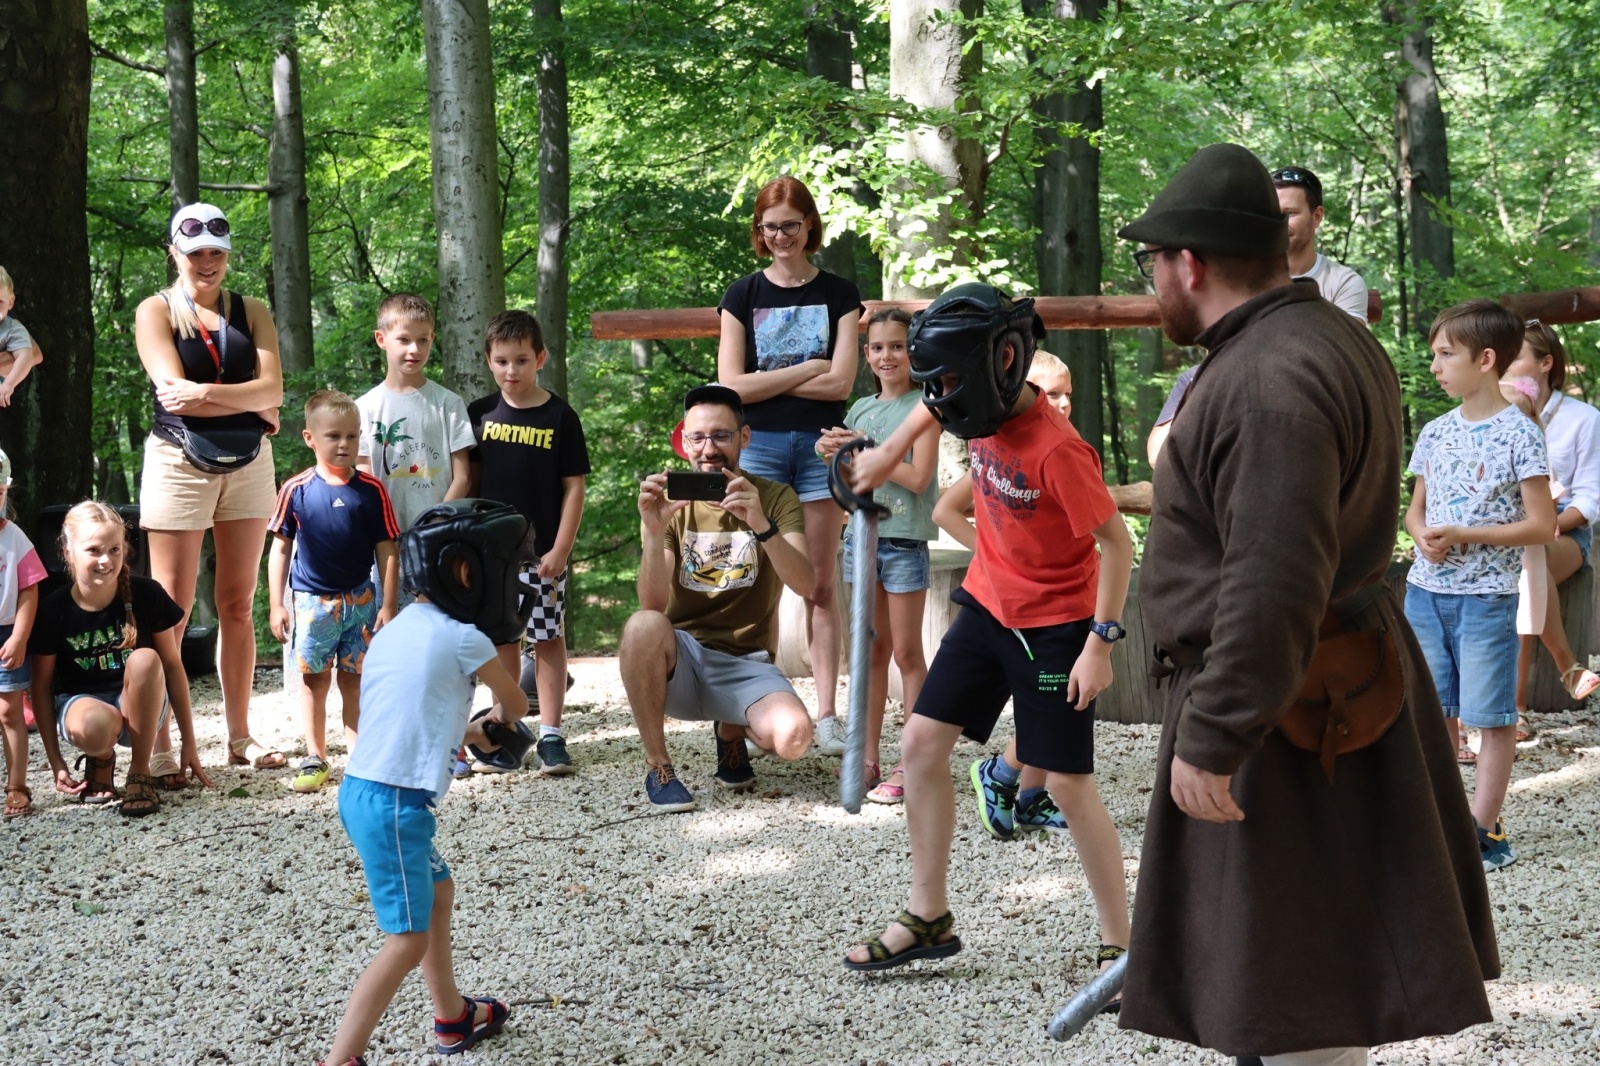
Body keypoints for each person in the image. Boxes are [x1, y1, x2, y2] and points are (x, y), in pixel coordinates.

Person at [1116, 143, 1499, 1066]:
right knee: (1306, 970)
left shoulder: (1266, 380)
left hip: (1292, 707)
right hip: (1318, 682)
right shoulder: (1324, 340)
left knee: (1295, 978)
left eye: (1152, 261)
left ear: (1190, 263)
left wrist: (1217, 729)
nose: (1152, 280)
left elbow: (1274, 574)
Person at [842, 284, 1134, 989]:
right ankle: (929, 916)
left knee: (1065, 784)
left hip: (1057, 627)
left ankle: (1124, 947)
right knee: (919, 743)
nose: (939, 397)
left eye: (948, 381)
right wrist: (884, 458)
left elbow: (1116, 546)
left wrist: (1101, 643)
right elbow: (929, 413)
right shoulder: (974, 403)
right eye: (934, 384)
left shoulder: (1060, 450)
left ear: (998, 366)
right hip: (986, 604)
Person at [319, 500, 529, 1066]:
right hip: (395, 806)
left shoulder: (391, 630)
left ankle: (453, 1016)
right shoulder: (466, 638)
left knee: (437, 890)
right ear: (467, 572)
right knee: (406, 940)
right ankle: (341, 1059)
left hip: (365, 789)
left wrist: (460, 731)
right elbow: (515, 703)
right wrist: (495, 725)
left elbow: (409, 709)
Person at [1405, 299, 1557, 873]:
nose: (1436, 367)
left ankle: (1484, 829)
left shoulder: (1520, 434)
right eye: (1434, 355)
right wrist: (1422, 535)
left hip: (1486, 600)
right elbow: (1414, 512)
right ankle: (1445, 823)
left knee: (1489, 715)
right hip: (1425, 593)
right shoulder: (1435, 431)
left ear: (1486, 359)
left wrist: (1467, 532)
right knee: (1434, 710)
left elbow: (1541, 525)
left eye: (1446, 355)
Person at [133, 202, 285, 772]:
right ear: (175, 252)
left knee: (237, 604)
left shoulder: (252, 311)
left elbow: (275, 386)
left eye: (217, 252)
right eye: (196, 253)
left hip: (249, 462)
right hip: (178, 460)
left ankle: (241, 737)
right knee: (169, 609)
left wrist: (208, 396)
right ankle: (163, 740)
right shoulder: (156, 311)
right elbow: (171, 389)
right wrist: (249, 402)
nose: (208, 262)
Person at [716, 176, 863, 756]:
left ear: (810, 227)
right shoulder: (742, 295)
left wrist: (774, 381)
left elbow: (844, 381)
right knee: (759, 581)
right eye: (769, 226)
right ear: (760, 231)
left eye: (790, 225)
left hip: (823, 446)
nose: (780, 236)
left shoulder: (840, 293)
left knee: (820, 585)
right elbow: (732, 386)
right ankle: (762, 708)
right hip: (759, 448)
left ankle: (827, 714)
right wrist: (808, 368)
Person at [618, 384, 814, 812]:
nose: (709, 449)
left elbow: (806, 584)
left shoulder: (776, 498)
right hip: (683, 660)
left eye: (722, 436)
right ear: (684, 441)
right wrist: (652, 533)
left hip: (747, 662)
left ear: (744, 438)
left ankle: (730, 732)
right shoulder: (669, 503)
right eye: (698, 438)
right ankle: (659, 768)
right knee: (641, 625)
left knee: (794, 738)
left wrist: (761, 523)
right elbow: (651, 603)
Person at [1146, 164, 1370, 468]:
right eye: (1273, 216)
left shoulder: (1342, 281)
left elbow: (1343, 358)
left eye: (1290, 214)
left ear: (1317, 216)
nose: (1280, 224)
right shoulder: (1243, 275)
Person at [816, 309, 939, 802]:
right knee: (869, 653)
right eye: (879, 347)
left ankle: (914, 762)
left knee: (908, 654)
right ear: (865, 354)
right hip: (860, 542)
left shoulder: (925, 407)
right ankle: (862, 756)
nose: (888, 356)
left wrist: (870, 451)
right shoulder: (860, 409)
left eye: (898, 346)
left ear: (915, 353)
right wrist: (834, 452)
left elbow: (918, 478)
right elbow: (850, 481)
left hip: (905, 542)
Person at [29, 501, 213, 818]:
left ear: (125, 550)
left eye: (114, 549)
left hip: (141, 708)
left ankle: (139, 774)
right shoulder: (52, 609)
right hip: (83, 709)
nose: (105, 560)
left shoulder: (148, 594)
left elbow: (172, 666)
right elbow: (41, 686)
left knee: (145, 659)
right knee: (97, 722)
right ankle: (101, 758)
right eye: (94, 550)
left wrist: (189, 743)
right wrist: (56, 760)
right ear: (68, 551)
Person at [467, 310, 589, 776]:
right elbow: (471, 483)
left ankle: (553, 735)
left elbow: (573, 488)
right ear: (488, 362)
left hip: (541, 556)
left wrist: (560, 549)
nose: (511, 371)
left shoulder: (560, 415)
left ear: (541, 357)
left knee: (548, 638)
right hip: (491, 556)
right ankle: (507, 726)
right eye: (501, 361)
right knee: (502, 641)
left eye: (521, 360)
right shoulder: (479, 414)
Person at [268, 390, 401, 793]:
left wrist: (388, 603)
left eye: (352, 436)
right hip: (311, 603)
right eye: (333, 436)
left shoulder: (372, 490)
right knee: (314, 681)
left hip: (361, 599)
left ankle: (359, 757)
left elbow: (387, 549)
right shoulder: (297, 489)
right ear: (310, 438)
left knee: (356, 680)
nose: (344, 445)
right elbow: (280, 547)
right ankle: (315, 757)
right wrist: (276, 603)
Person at [1504, 320, 1600, 712]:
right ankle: (1567, 665)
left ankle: (1516, 707)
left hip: (1565, 530)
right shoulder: (1497, 414)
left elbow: (1592, 499)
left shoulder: (1584, 418)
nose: (1505, 363)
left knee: (1528, 566)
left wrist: (1546, 525)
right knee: (1525, 562)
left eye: (1517, 355)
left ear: (1545, 364)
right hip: (1509, 530)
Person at [356, 293, 475, 537]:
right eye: (404, 339)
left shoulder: (448, 403)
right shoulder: (364, 407)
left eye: (423, 340)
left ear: (433, 338)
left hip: (439, 535)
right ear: (381, 339)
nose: (414, 349)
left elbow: (463, 477)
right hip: (383, 539)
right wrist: (381, 525)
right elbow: (364, 474)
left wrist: (438, 520)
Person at [0, 450, 46, 818]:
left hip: (6, 634)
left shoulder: (14, 537)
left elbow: (30, 591)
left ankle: (17, 785)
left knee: (8, 711)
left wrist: (19, 636)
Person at [0, 266, 42, 408]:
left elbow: (29, 356)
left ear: (10, 302)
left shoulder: (12, 329)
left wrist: (9, 384)